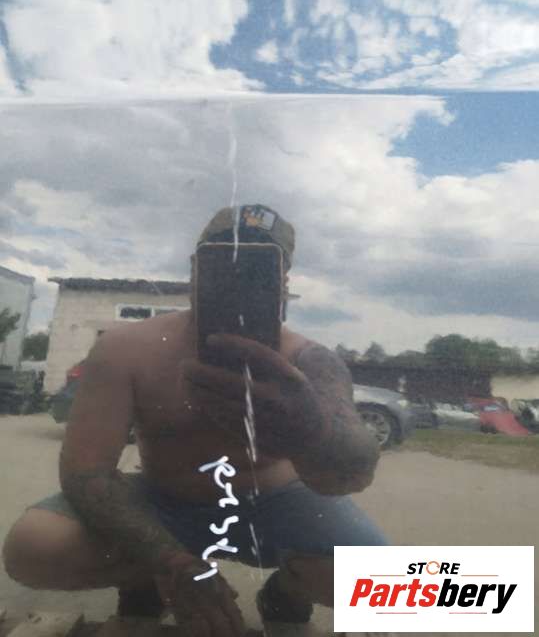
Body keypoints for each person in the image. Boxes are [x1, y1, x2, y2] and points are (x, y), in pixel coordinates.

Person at [2, 204, 386, 637]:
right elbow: (85, 472)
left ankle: (285, 592)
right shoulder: (125, 348)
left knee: (405, 589)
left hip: (278, 505)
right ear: (194, 269)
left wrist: (310, 431)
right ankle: (144, 580)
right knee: (33, 547)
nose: (238, 274)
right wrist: (169, 561)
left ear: (284, 280)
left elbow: (352, 473)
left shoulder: (312, 360)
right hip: (163, 501)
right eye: (222, 259)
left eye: (259, 264)